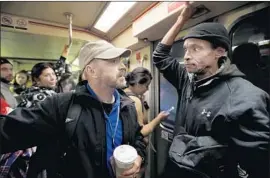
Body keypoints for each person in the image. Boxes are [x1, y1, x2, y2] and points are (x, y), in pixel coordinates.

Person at [153, 3, 269, 178]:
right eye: (186, 49)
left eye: (196, 49)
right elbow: (160, 56)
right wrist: (181, 19)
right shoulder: (187, 81)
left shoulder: (245, 96)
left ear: (220, 52)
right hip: (177, 168)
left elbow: (259, 162)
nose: (186, 56)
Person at [0, 40, 146, 178]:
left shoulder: (128, 106)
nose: (122, 67)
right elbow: (8, 131)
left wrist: (139, 156)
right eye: (113, 61)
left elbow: (137, 138)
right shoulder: (61, 106)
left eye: (121, 61)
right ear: (91, 71)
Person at [124, 67, 169, 137]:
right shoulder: (135, 101)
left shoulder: (124, 94)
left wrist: (142, 101)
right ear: (138, 84)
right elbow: (141, 132)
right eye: (146, 86)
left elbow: (144, 120)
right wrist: (159, 119)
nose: (147, 89)